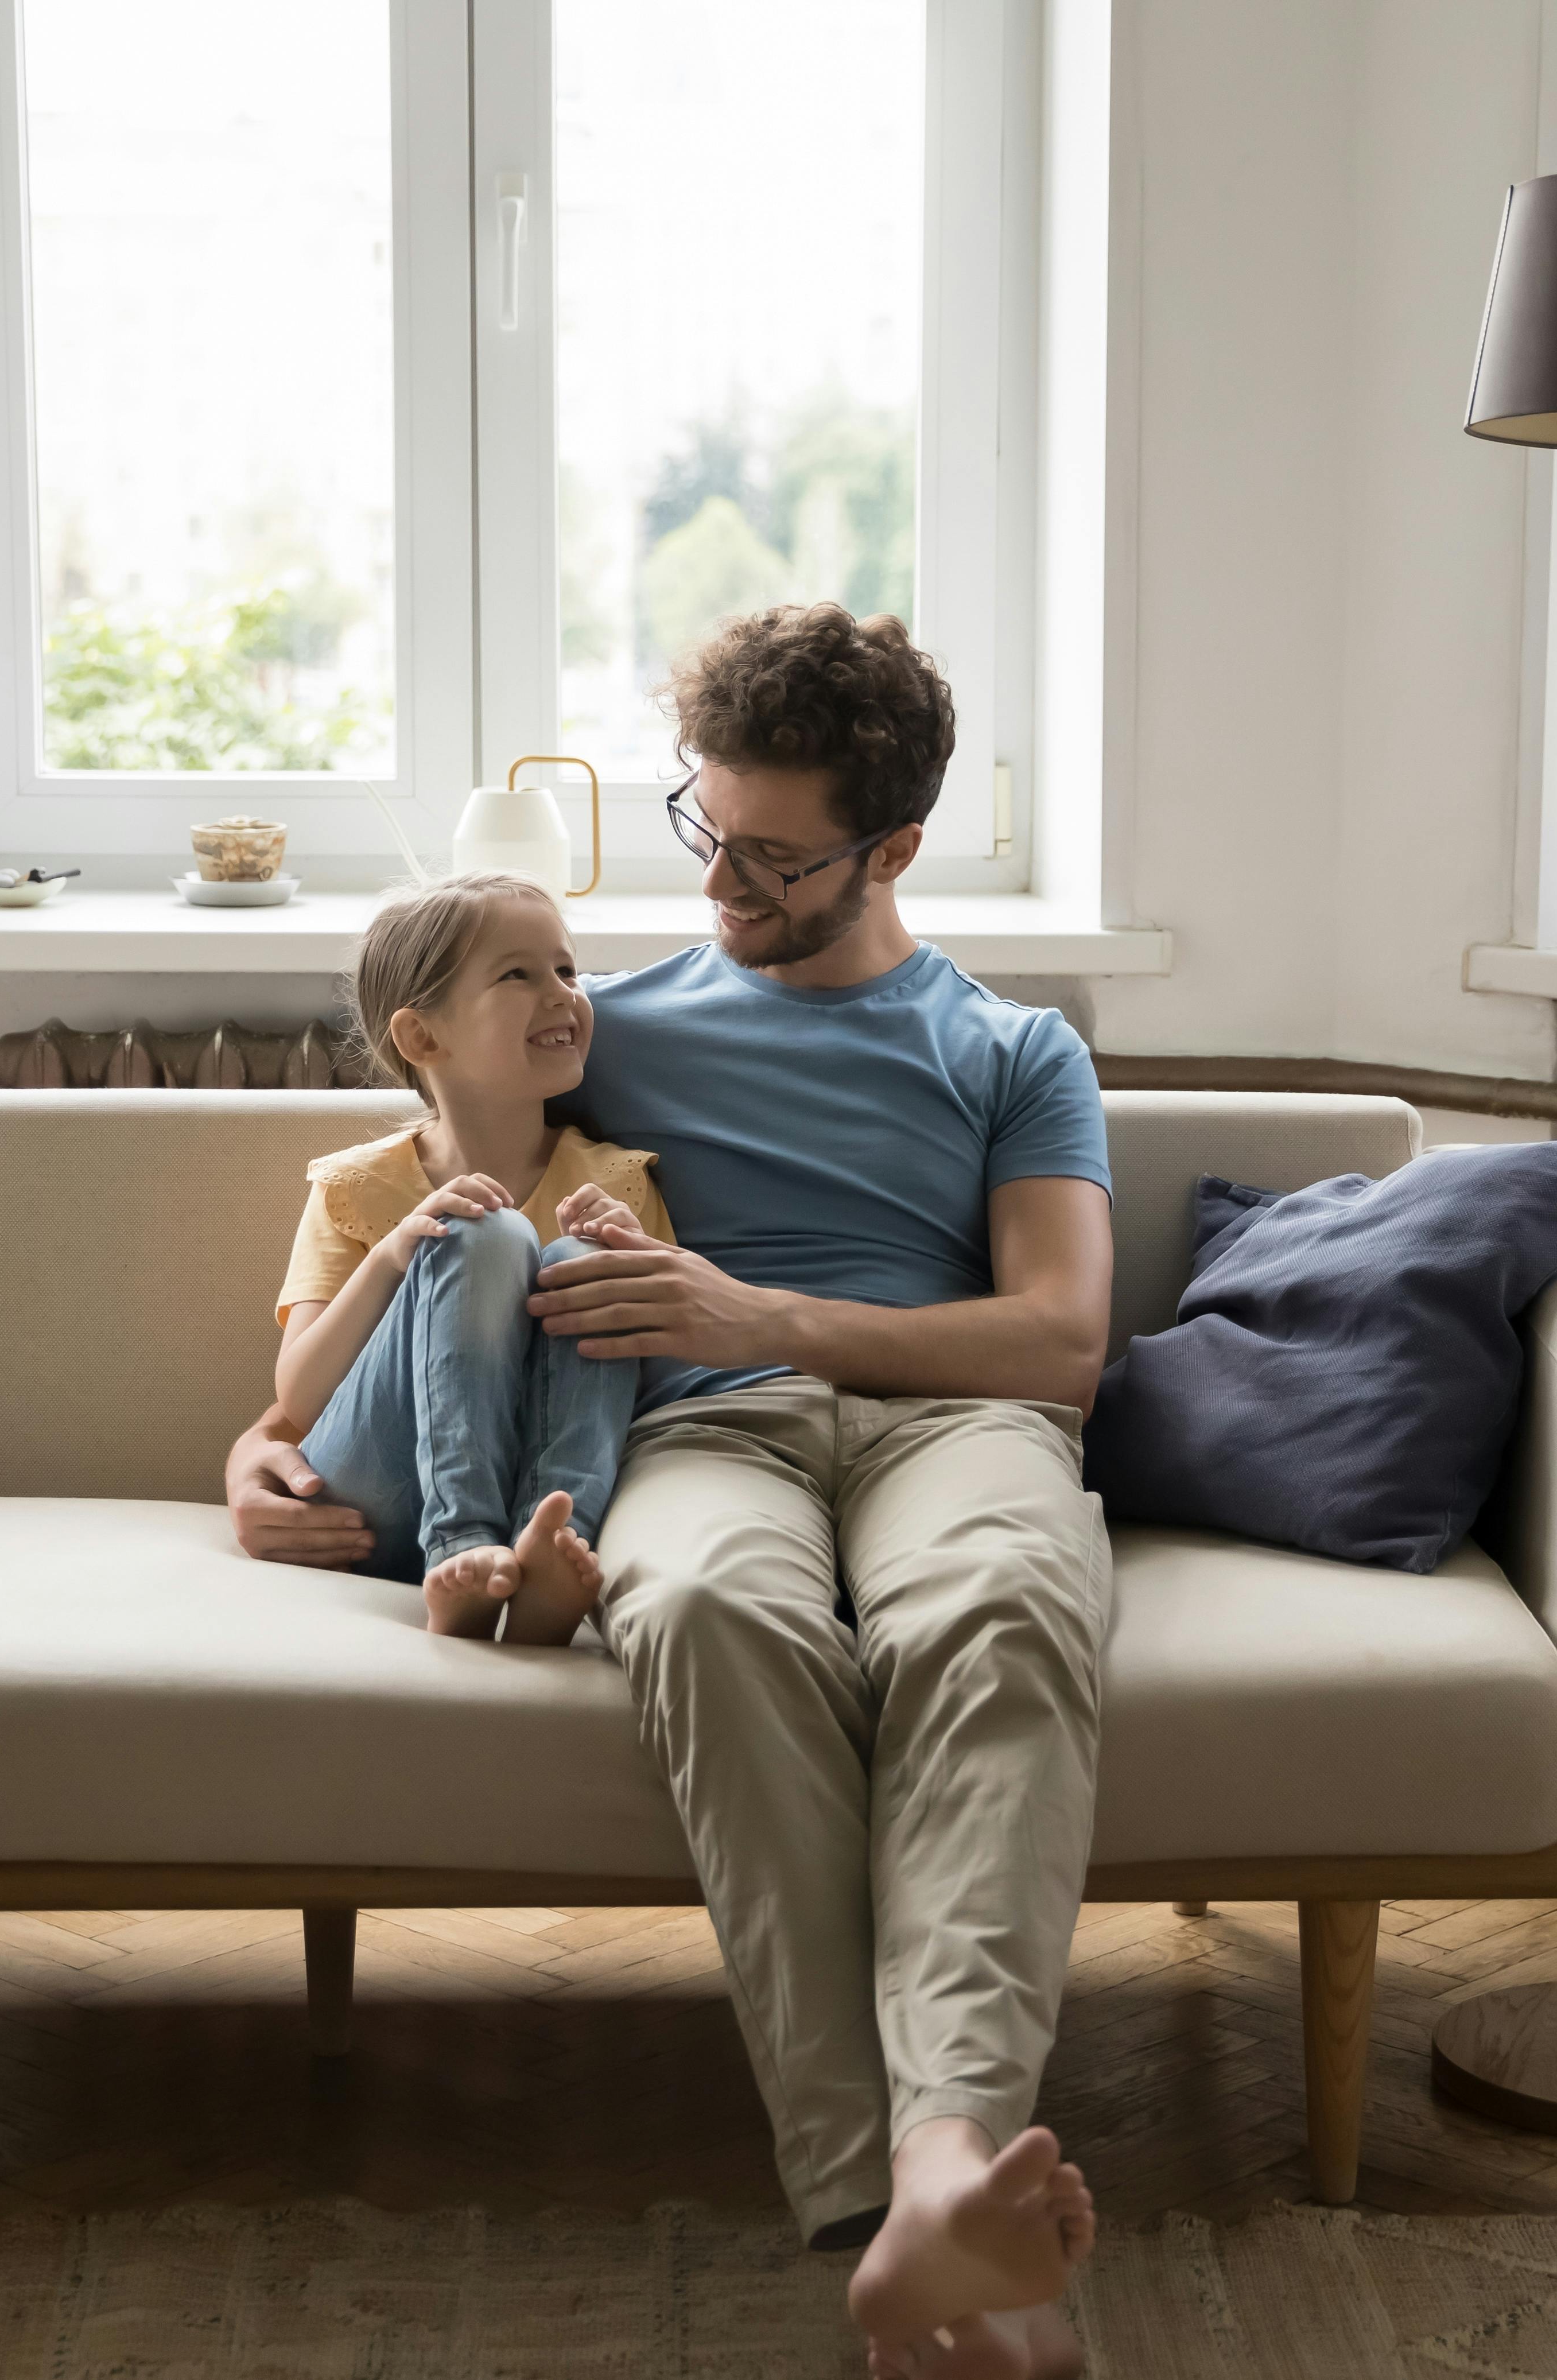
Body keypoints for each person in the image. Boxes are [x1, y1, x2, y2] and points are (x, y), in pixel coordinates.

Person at [230, 606, 1111, 2380]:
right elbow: (411, 1188)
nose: (720, 878)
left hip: (954, 1428)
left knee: (999, 1612)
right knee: (701, 1606)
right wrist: (264, 1447)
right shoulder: (597, 1030)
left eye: (774, 857)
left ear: (896, 850)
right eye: (704, 826)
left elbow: (1061, 1340)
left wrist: (759, 1310)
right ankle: (900, 2219)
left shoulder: (1016, 1052)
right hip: (699, 1435)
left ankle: (941, 2160)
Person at [273, 872, 671, 1644]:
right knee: (481, 1232)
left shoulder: (619, 1180)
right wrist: (397, 1253)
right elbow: (300, 1395)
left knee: (587, 1252)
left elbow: (663, 1379)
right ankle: (460, 1544)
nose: (562, 994)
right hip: (374, 1493)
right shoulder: (356, 1187)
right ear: (423, 1037)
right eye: (518, 975)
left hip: (542, 1473)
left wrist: (634, 1255)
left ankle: (550, 1545)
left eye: (564, 969)